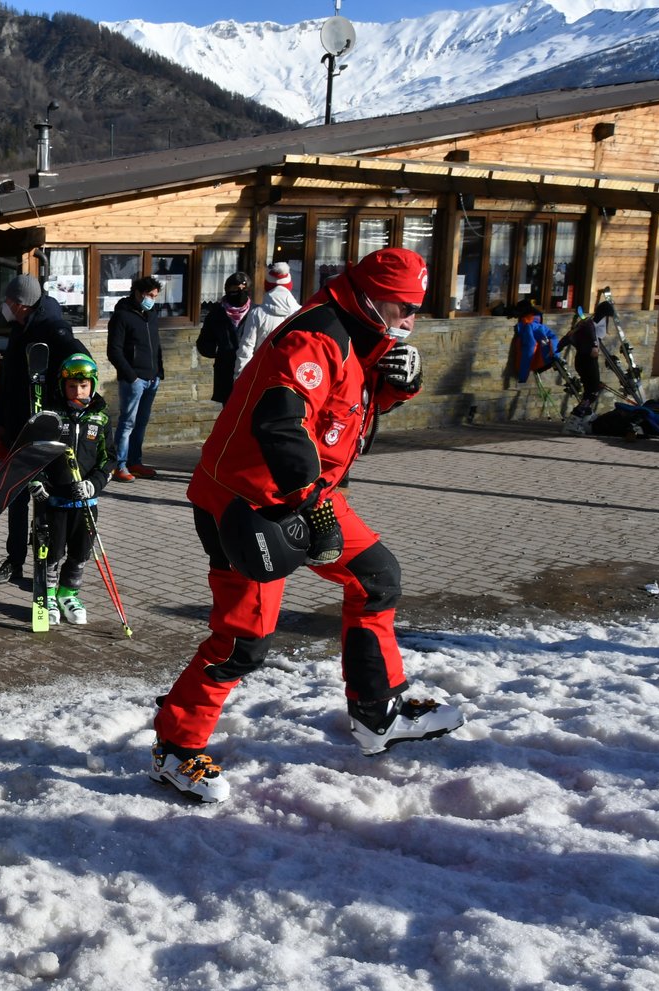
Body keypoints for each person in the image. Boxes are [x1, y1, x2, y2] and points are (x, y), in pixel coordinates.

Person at [149, 247, 463, 803]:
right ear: (370, 299)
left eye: (418, 307)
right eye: (403, 306)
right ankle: (176, 748)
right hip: (248, 503)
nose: (412, 318)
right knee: (243, 641)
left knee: (377, 579)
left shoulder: (363, 335)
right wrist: (312, 506)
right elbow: (280, 424)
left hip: (306, 493)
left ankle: (377, 712)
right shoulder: (314, 337)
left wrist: (396, 387)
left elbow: (346, 415)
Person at [0, 272, 79, 586]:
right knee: (14, 498)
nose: (4, 306)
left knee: (44, 500)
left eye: (8, 301)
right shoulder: (18, 328)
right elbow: (7, 380)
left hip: (44, 427)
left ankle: (47, 563)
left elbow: (81, 368)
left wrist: (66, 411)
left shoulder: (53, 328)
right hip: (15, 427)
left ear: (20, 303)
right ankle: (14, 560)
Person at [36, 353, 112, 626]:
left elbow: (109, 459)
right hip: (56, 500)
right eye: (71, 386)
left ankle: (69, 594)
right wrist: (38, 483)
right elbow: (36, 454)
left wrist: (94, 484)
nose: (78, 391)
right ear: (62, 387)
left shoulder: (100, 418)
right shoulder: (53, 416)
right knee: (53, 553)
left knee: (80, 552)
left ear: (92, 384)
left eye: (83, 385)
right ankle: (50, 594)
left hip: (86, 502)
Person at [105, 275, 164, 482]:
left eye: (155, 296)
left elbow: (156, 345)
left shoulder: (152, 313)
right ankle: (120, 465)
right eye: (149, 295)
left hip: (152, 378)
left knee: (141, 423)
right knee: (127, 422)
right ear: (138, 293)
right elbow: (114, 350)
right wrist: (131, 376)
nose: (152, 299)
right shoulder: (122, 316)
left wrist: (160, 372)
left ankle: (135, 461)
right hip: (134, 380)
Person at [235, 262, 300, 380]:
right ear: (289, 285)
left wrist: (240, 379)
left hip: (263, 376)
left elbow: (246, 349)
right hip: (291, 378)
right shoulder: (300, 313)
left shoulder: (257, 314)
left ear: (267, 285)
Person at [196, 271, 251, 406]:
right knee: (229, 413)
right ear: (228, 290)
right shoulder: (217, 313)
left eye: (243, 289)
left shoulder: (256, 312)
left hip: (249, 371)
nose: (239, 292)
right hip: (226, 372)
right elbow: (204, 343)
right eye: (235, 289)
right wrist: (220, 351)